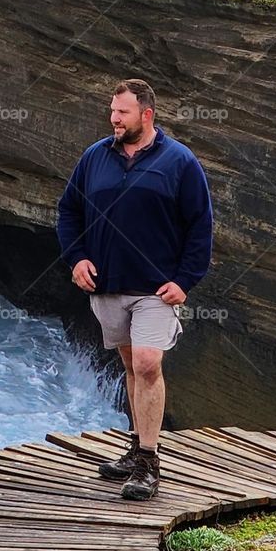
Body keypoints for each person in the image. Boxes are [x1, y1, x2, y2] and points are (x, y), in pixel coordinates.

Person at [56, 78, 213, 500]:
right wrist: (77, 258)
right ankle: (134, 449)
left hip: (156, 290)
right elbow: (68, 210)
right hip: (107, 285)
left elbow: (200, 224)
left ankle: (148, 462)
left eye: (121, 112)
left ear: (147, 114)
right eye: (112, 110)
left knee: (146, 363)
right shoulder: (95, 157)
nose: (113, 118)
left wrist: (185, 280)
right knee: (130, 366)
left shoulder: (179, 161)